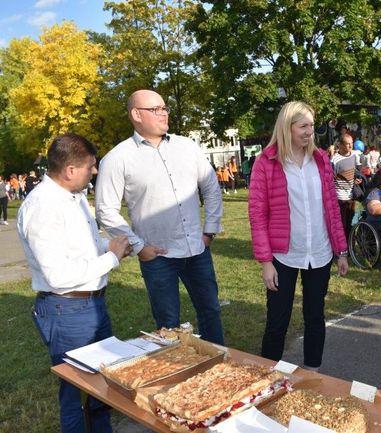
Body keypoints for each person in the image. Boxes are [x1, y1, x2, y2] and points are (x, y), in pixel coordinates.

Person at [17, 133, 131, 433]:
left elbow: (78, 248)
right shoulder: (43, 207)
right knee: (75, 392)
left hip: (90, 304)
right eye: (90, 166)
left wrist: (108, 247)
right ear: (70, 170)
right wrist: (112, 258)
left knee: (103, 384)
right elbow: (58, 275)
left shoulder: (73, 198)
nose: (94, 171)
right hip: (66, 309)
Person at [95, 89, 225, 345]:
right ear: (136, 115)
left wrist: (210, 230)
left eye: (164, 107)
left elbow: (210, 187)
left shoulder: (187, 147)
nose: (163, 113)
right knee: (168, 325)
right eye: (155, 109)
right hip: (158, 257)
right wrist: (140, 247)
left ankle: (219, 366)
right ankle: (177, 374)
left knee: (211, 312)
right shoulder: (118, 158)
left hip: (197, 250)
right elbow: (105, 210)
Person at [248, 101, 348, 371]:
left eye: (312, 126)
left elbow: (331, 208)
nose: (309, 131)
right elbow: (257, 215)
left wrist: (341, 250)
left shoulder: (321, 160)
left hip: (320, 252)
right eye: (303, 125)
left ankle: (313, 375)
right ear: (287, 127)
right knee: (277, 321)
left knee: (315, 316)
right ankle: (268, 378)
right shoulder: (266, 162)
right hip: (283, 255)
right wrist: (266, 262)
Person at [331, 132, 358, 240]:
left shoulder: (353, 156)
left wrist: (356, 179)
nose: (351, 146)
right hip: (340, 197)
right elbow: (331, 180)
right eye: (348, 144)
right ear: (341, 145)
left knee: (351, 221)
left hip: (351, 195)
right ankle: (342, 246)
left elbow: (354, 172)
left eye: (352, 143)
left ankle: (349, 244)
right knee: (342, 223)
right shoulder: (334, 160)